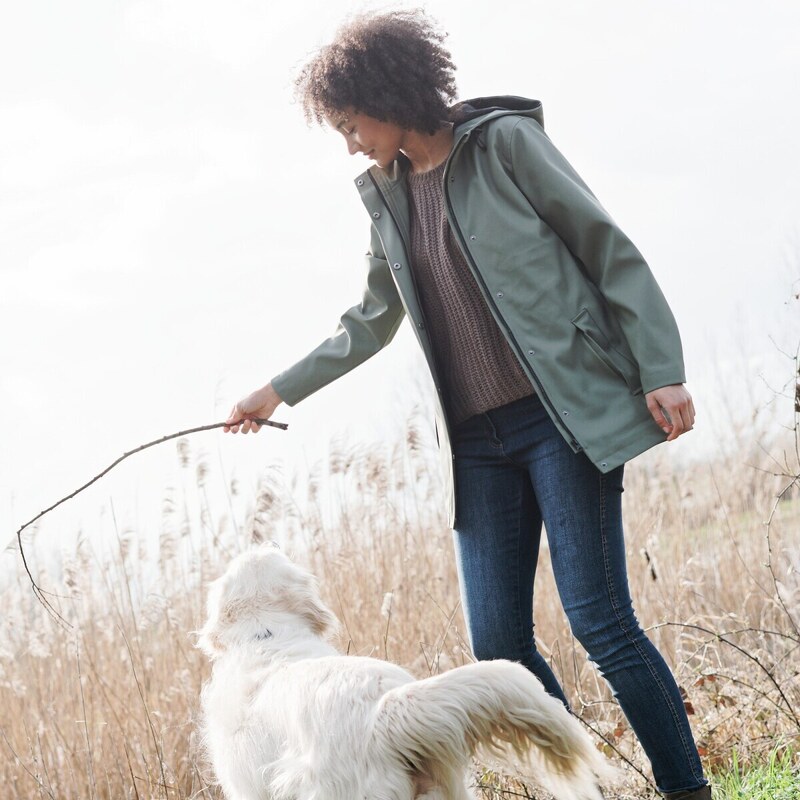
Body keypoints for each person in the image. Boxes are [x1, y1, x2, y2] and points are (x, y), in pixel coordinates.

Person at [224, 10, 707, 800]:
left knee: (601, 623)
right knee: (500, 648)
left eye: (352, 124)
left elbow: (603, 245)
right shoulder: (385, 197)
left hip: (561, 421)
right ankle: (592, 784)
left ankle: (688, 790)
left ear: (389, 94)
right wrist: (274, 391)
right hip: (479, 446)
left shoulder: (505, 146)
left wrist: (662, 366)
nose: (350, 144)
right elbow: (371, 320)